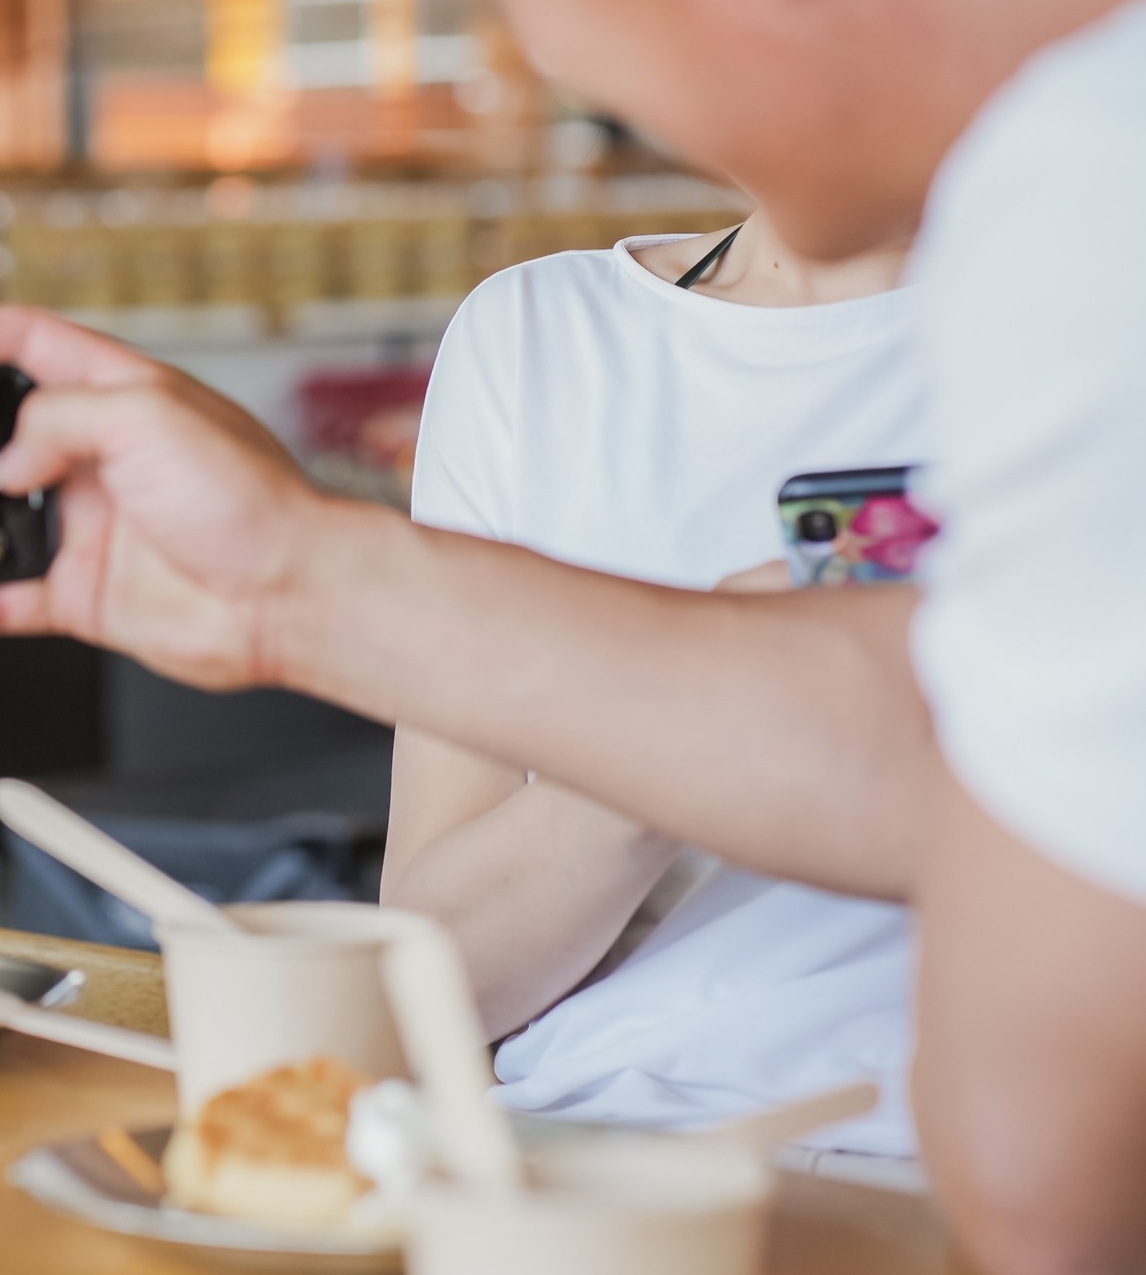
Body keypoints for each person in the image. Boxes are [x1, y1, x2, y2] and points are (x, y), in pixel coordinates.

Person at [0, 0, 1146, 1269]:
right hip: (553, 1165)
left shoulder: (1084, 199)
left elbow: (1046, 1183)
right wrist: (293, 577)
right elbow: (900, 717)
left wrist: (304, 582)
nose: (554, 70)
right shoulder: (1057, 184)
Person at [387, 214, 925, 1170]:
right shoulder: (540, 337)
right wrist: (682, 731)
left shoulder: (1091, 333)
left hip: (981, 1178)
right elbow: (436, 981)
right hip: (589, 1159)